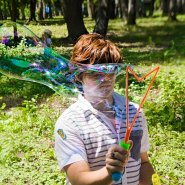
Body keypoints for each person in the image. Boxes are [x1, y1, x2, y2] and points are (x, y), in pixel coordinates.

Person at [55, 33, 155, 185]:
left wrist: (147, 181)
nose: (106, 79)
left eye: (111, 70)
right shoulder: (70, 122)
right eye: (96, 73)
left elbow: (144, 162)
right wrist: (109, 171)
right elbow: (78, 179)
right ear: (79, 76)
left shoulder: (134, 112)